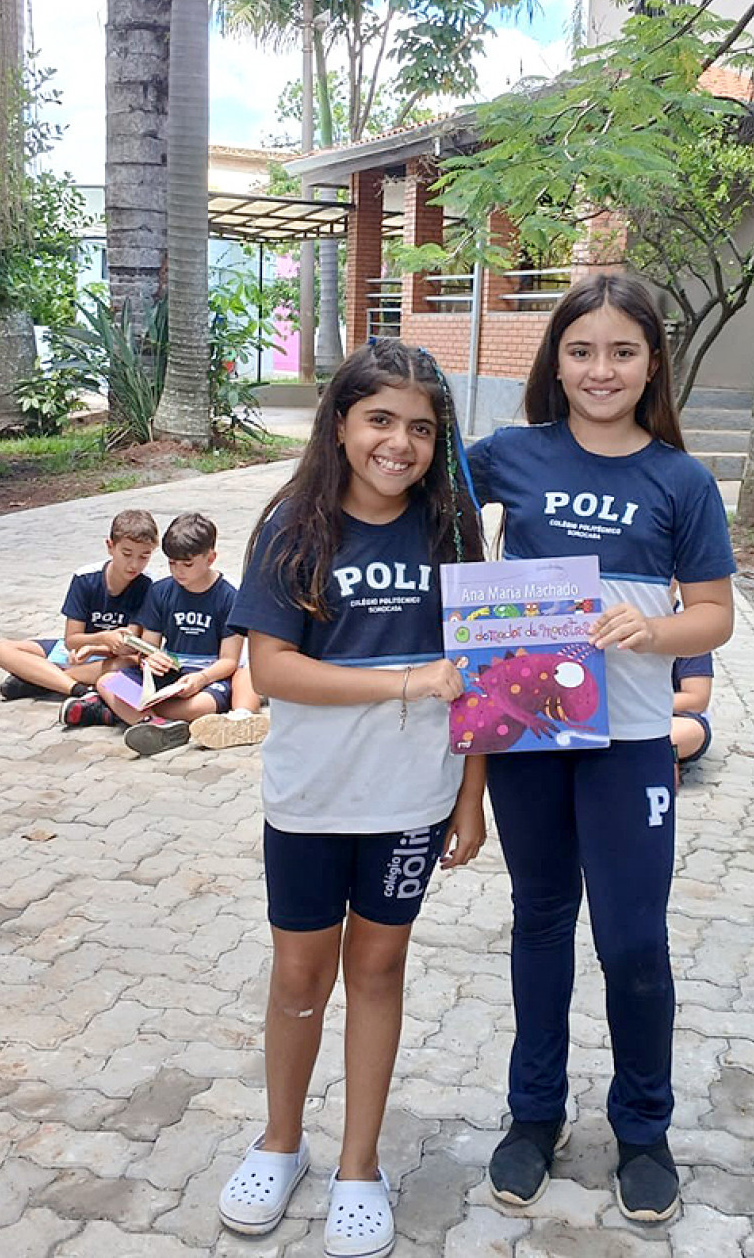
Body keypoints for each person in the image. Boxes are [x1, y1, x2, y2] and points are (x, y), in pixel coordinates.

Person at [465, 274, 735, 1225]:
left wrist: (652, 631)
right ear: (556, 360)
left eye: (622, 351)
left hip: (629, 741)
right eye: (581, 351)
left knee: (631, 940)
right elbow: (412, 490)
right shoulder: (509, 455)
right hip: (529, 730)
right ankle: (533, 1115)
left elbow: (715, 613)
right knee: (540, 920)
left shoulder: (680, 480)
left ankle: (643, 1129)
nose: (600, 369)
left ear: (652, 363)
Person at [215, 340, 487, 1258]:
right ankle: (279, 1142)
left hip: (413, 800)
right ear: (339, 424)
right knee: (299, 975)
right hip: (309, 799)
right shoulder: (292, 526)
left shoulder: (452, 532)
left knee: (377, 970)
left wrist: (471, 795)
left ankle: (359, 1165)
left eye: (421, 427)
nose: (398, 443)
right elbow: (273, 670)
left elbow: (478, 679)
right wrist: (406, 682)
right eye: (379, 419)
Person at [71, 510, 268, 754]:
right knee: (108, 682)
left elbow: (228, 660)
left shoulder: (228, 595)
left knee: (201, 705)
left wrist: (201, 679)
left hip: (209, 675)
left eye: (187, 564)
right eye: (172, 563)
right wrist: (150, 659)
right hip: (170, 674)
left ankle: (133, 714)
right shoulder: (160, 591)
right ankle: (155, 724)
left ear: (210, 558)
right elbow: (148, 648)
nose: (178, 571)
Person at [0, 507, 158, 704]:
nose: (134, 564)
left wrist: (96, 649)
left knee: (128, 663)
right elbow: (71, 640)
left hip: (107, 658)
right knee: (2, 649)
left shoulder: (148, 586)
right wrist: (101, 638)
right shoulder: (85, 578)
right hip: (74, 651)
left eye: (144, 556)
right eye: (127, 554)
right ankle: (77, 689)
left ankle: (44, 679)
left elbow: (128, 646)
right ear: (110, 546)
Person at [671, 650, 713, 777]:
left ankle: (663, 755)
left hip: (670, 716)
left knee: (689, 731)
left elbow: (696, 699)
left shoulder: (689, 639)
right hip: (618, 717)